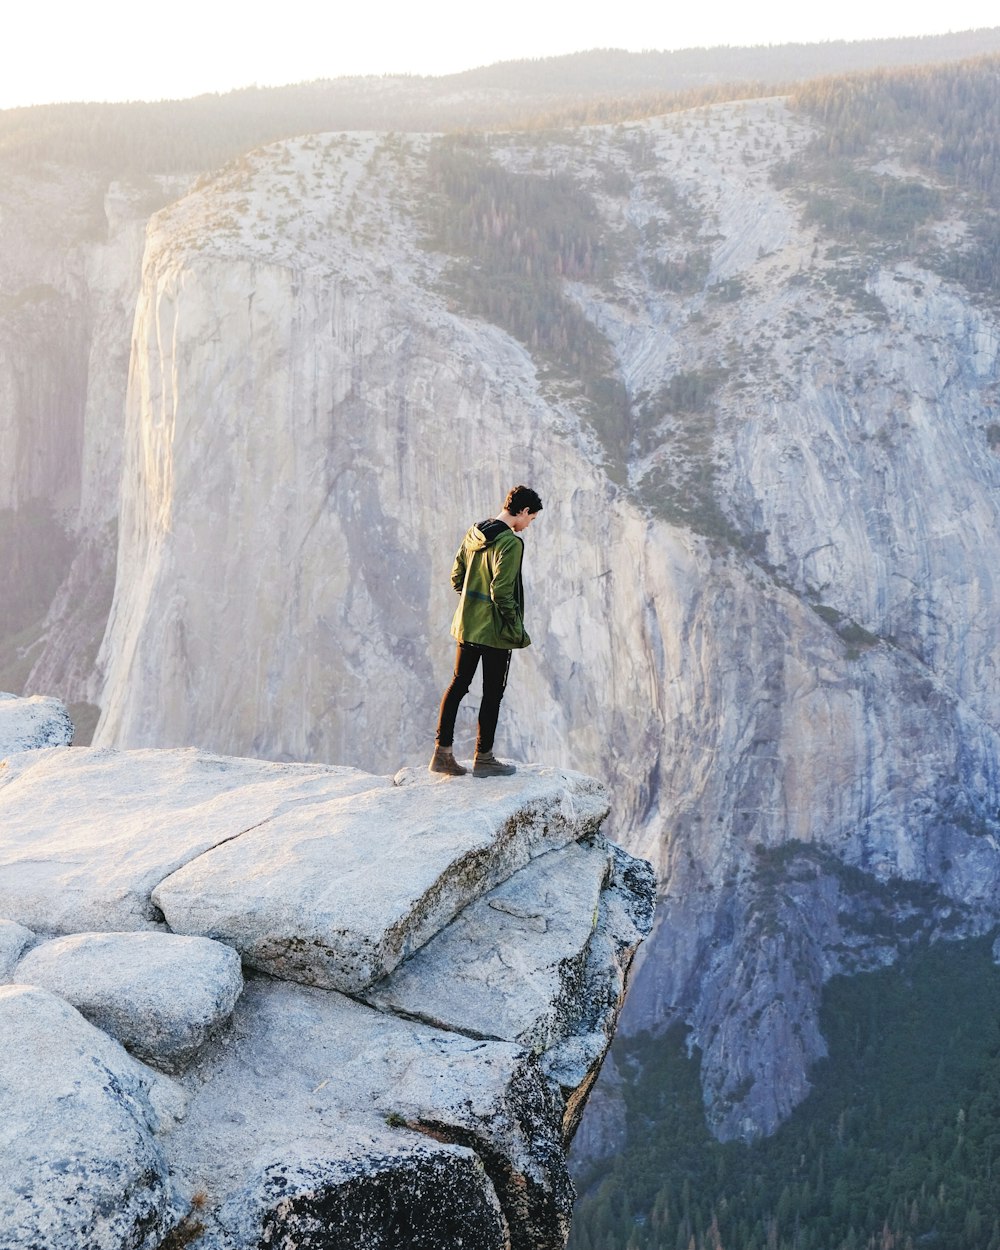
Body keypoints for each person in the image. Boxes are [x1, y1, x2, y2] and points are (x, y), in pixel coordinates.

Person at [429, 485, 543, 777]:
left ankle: (442, 754)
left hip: (467, 625)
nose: (528, 526)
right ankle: (484, 758)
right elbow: (502, 592)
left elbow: (457, 577)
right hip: (494, 632)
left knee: (458, 685)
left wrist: (472, 602)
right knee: (492, 693)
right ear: (524, 511)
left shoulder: (475, 532)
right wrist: (515, 626)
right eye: (531, 519)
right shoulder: (511, 544)